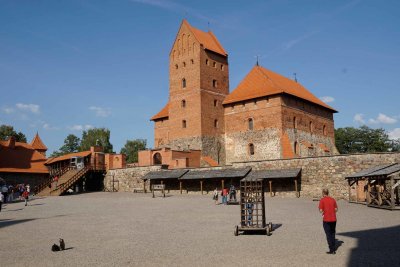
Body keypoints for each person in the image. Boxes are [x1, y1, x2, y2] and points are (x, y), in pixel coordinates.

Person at [319, 188, 338, 254]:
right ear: (328, 193)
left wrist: (324, 212)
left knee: (328, 234)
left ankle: (332, 250)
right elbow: (336, 209)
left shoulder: (322, 200)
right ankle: (333, 247)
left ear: (323, 193)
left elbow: (321, 210)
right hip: (333, 219)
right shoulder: (333, 199)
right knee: (332, 233)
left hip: (326, 219)